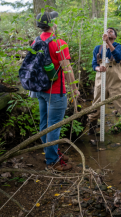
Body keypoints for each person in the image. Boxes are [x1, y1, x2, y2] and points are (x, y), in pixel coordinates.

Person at [35, 11, 79, 171]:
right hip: (55, 91)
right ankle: (52, 161)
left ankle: (51, 152)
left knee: (44, 123)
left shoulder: (36, 41)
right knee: (53, 126)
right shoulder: (59, 42)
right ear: (51, 23)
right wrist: (74, 89)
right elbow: (67, 68)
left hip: (40, 89)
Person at [88, 28, 121, 139]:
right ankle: (91, 130)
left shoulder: (119, 47)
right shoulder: (98, 48)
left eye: (111, 32)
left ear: (115, 36)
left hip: (115, 81)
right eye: (107, 31)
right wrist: (98, 68)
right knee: (96, 105)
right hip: (101, 80)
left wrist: (109, 43)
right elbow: (94, 64)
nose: (108, 32)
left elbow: (118, 57)